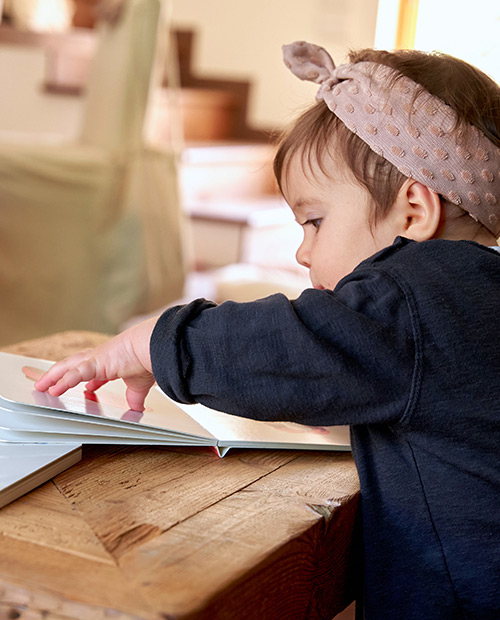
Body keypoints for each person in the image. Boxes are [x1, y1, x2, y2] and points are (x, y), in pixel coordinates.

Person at [35, 41, 500, 619]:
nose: (303, 252)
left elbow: (292, 346)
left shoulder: (414, 299)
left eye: (315, 221)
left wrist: (150, 343)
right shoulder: (474, 296)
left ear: (414, 211)